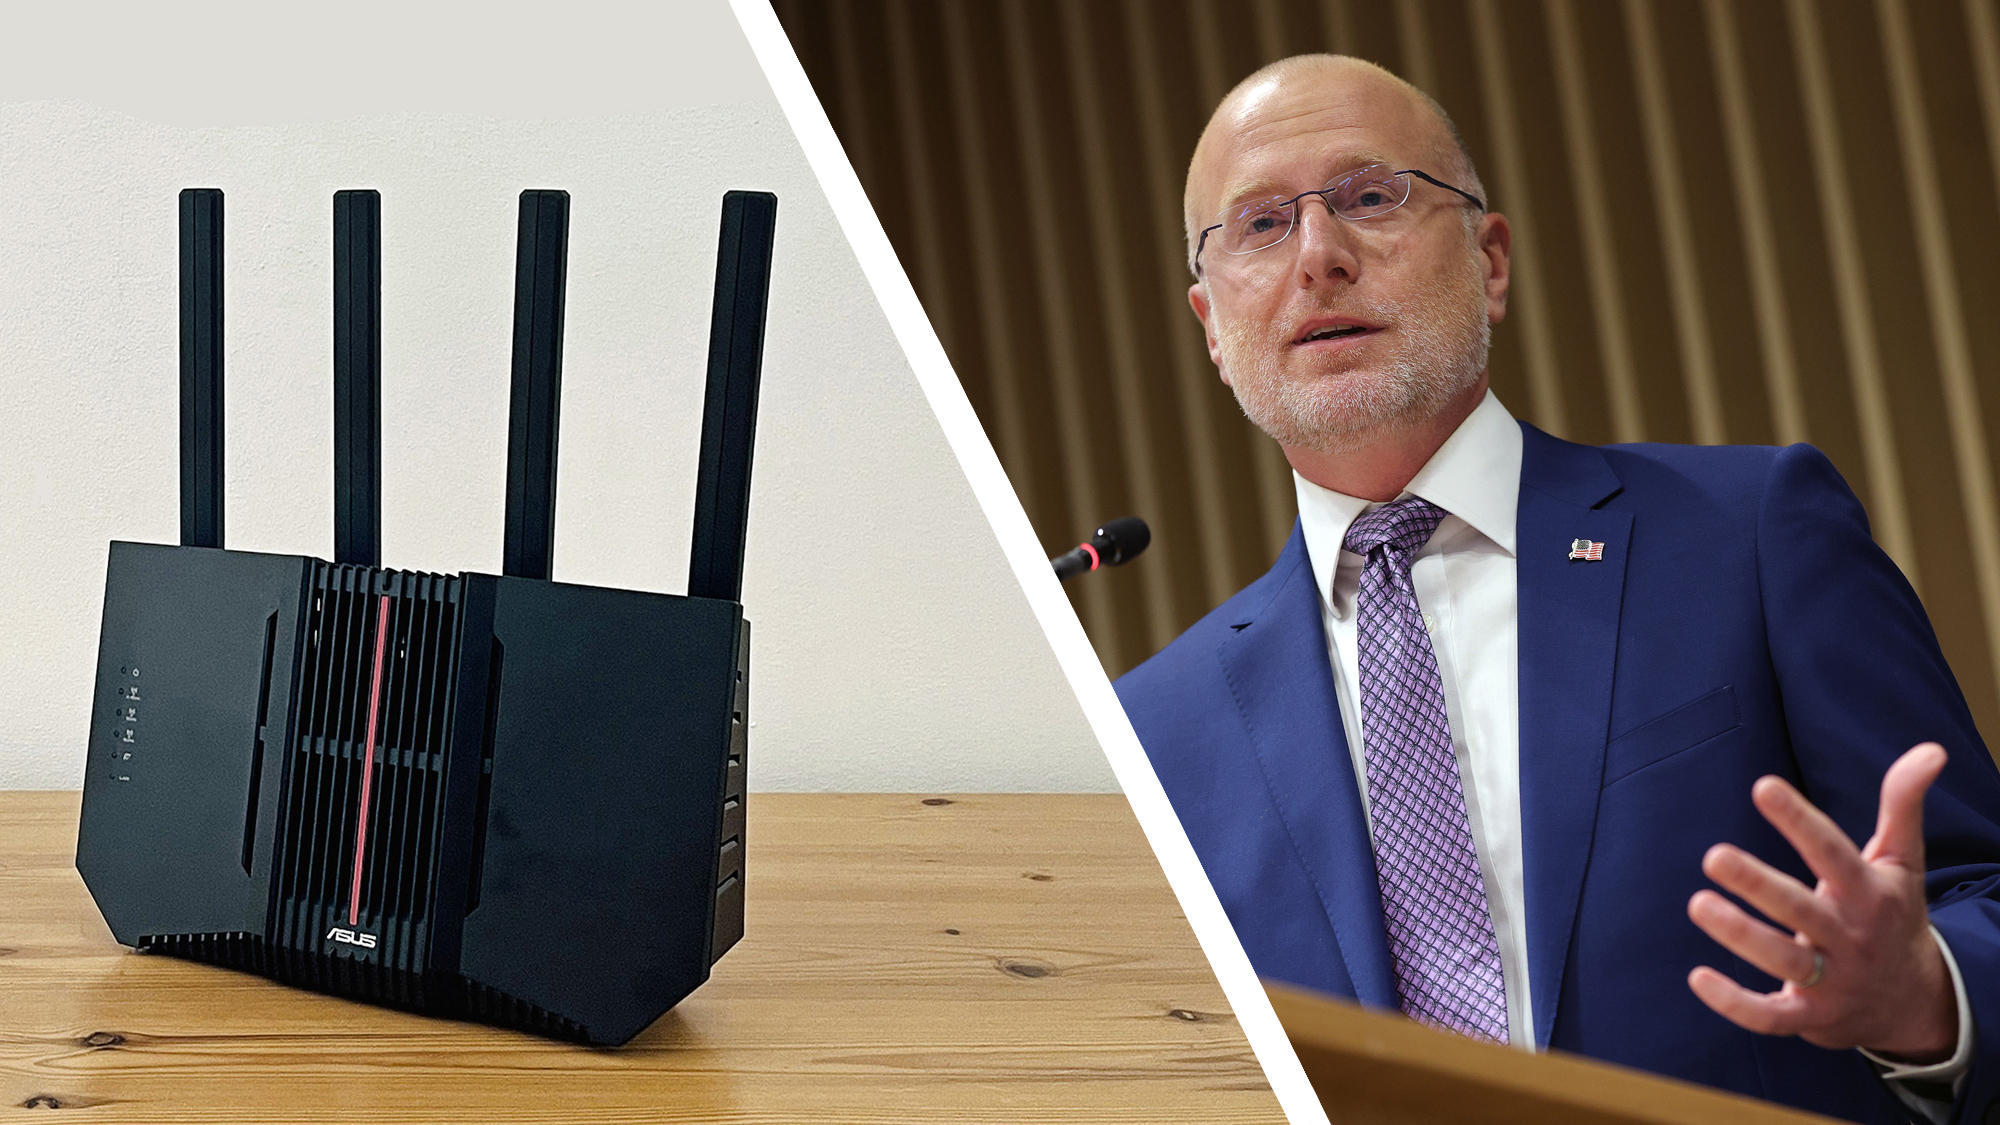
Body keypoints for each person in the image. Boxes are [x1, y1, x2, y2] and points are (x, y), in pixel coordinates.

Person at [1114, 54, 2000, 1124]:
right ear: (1211, 326)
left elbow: (1970, 891)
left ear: (1488, 262)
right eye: (1258, 225)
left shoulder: (1748, 532)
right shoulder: (1152, 733)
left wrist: (1921, 996)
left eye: (1369, 197)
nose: (1318, 256)